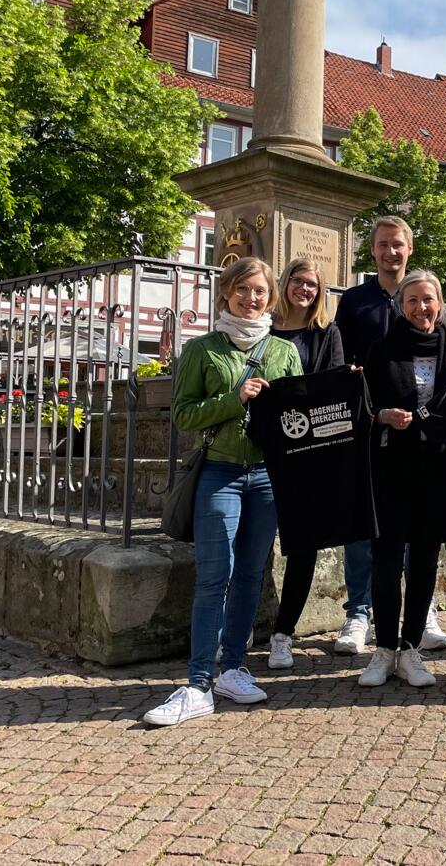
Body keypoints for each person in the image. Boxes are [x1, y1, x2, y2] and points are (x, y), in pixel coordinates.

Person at [143, 257, 302, 727]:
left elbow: (295, 418)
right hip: (220, 472)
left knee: (252, 574)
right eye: (243, 289)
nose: (251, 299)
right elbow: (183, 415)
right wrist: (234, 399)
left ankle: (232, 668)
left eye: (260, 292)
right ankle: (197, 684)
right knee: (216, 575)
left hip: (267, 477)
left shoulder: (284, 352)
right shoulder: (203, 350)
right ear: (227, 292)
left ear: (270, 297)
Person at [331, 216, 446, 654]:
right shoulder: (356, 300)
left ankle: (425, 610)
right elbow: (341, 358)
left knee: (417, 535)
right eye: (383, 245)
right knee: (366, 528)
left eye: (397, 244)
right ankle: (358, 612)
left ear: (409, 248)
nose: (390, 252)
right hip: (372, 427)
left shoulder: (426, 299)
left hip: (419, 443)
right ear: (373, 251)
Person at [358, 269, 446, 688]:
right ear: (401, 306)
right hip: (392, 470)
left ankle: (411, 650)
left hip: (435, 471)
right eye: (413, 300)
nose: (422, 308)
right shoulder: (382, 350)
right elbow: (361, 408)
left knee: (424, 563)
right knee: (385, 564)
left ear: (440, 304)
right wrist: (382, 416)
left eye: (429, 300)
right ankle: (384, 649)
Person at [266, 258, 346, 670]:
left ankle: (284, 633)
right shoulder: (263, 327)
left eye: (313, 284)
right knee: (255, 543)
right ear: (285, 283)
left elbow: (331, 384)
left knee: (302, 546)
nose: (305, 289)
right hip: (261, 447)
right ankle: (243, 624)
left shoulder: (326, 333)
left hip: (306, 449)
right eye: (298, 281)